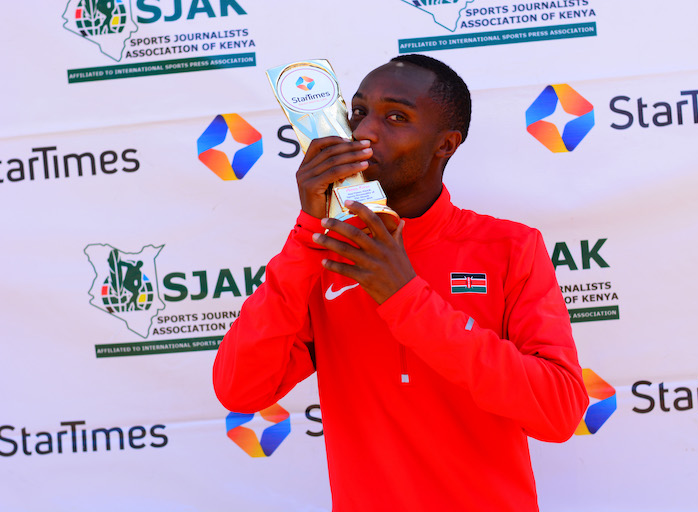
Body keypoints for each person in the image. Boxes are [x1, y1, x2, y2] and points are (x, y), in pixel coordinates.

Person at [213, 54, 588, 511]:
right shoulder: (325, 253)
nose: (365, 132)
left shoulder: (510, 247)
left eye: (395, 117)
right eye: (358, 112)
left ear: (445, 144)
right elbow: (240, 389)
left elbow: (559, 413)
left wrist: (405, 297)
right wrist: (308, 231)